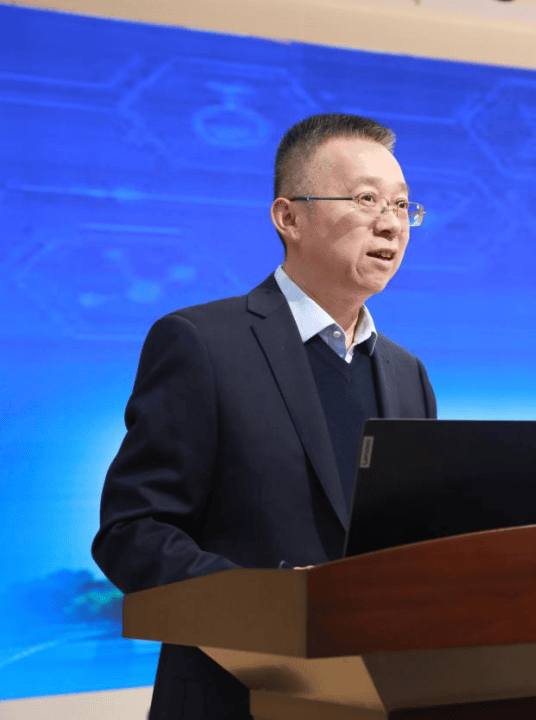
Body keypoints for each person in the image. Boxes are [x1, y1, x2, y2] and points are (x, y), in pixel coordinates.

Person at [91, 113, 437, 720]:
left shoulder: (407, 375)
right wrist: (268, 601)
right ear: (289, 217)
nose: (390, 222)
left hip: (378, 697)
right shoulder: (202, 344)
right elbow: (133, 531)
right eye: (366, 199)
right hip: (235, 698)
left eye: (402, 205)